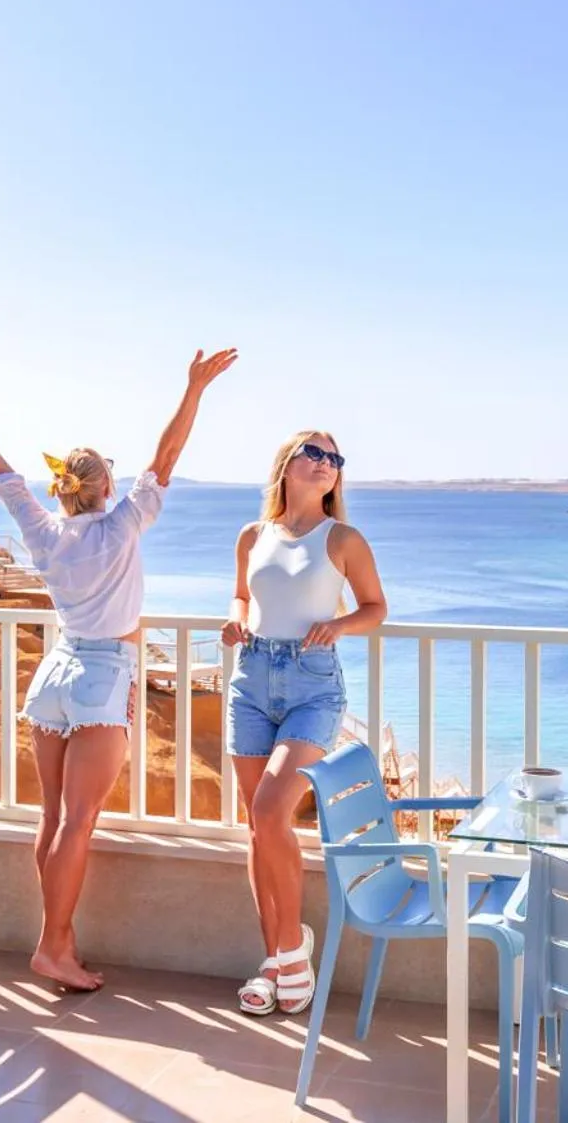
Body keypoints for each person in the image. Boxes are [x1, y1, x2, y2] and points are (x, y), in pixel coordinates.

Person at [0, 348, 237, 990]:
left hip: (54, 671)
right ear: (105, 487)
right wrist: (193, 388)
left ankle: (60, 938)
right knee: (78, 822)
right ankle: (52, 947)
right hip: (104, 675)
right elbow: (165, 461)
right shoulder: (124, 526)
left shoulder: (42, 531)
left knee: (53, 816)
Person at [220, 431, 386, 1016]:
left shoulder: (343, 538)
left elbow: (375, 607)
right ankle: (275, 960)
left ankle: (292, 951)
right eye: (313, 453)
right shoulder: (252, 535)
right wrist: (234, 620)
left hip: (313, 685)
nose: (325, 464)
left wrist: (339, 627)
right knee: (256, 826)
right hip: (251, 678)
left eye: (334, 459)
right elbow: (242, 596)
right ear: (287, 465)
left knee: (272, 812)